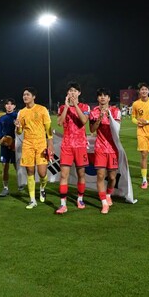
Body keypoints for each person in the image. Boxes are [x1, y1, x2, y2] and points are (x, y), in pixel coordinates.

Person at [15, 87, 53, 210]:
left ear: (33, 97)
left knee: (42, 173)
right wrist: (18, 127)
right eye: (23, 94)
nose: (25, 96)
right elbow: (20, 131)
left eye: (27, 94)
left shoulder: (42, 109)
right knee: (30, 172)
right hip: (27, 144)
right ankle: (32, 200)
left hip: (41, 144)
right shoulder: (21, 112)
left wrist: (50, 145)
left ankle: (42, 188)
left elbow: (48, 129)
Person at [55, 82, 90, 214]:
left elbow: (84, 121)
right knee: (64, 175)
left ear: (79, 93)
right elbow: (59, 122)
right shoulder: (63, 107)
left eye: (75, 91)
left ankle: (80, 198)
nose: (72, 93)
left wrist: (75, 105)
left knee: (81, 174)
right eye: (70, 91)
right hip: (67, 145)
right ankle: (63, 204)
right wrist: (66, 107)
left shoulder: (84, 106)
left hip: (80, 145)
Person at [89, 88, 121, 214]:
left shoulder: (115, 111)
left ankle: (108, 194)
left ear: (109, 98)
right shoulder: (94, 112)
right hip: (100, 148)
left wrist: (110, 117)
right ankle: (103, 203)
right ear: (98, 98)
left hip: (113, 148)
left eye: (105, 95)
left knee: (112, 177)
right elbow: (92, 130)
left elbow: (117, 129)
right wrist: (99, 119)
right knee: (101, 175)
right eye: (100, 96)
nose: (102, 98)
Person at [131, 82, 149, 189]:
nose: (144, 91)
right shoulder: (135, 104)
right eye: (142, 89)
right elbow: (133, 117)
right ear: (139, 91)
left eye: (145, 89)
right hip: (141, 132)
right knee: (144, 154)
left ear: (148, 91)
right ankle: (144, 180)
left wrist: (147, 121)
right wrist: (137, 122)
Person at [0, 98, 19, 197]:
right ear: (5, 106)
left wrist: (14, 143)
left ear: (14, 106)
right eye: (7, 104)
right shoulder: (1, 119)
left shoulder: (18, 116)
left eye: (11, 104)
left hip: (16, 146)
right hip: (5, 147)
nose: (9, 106)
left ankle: (21, 183)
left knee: (17, 166)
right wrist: (3, 141)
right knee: (5, 166)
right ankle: (5, 188)